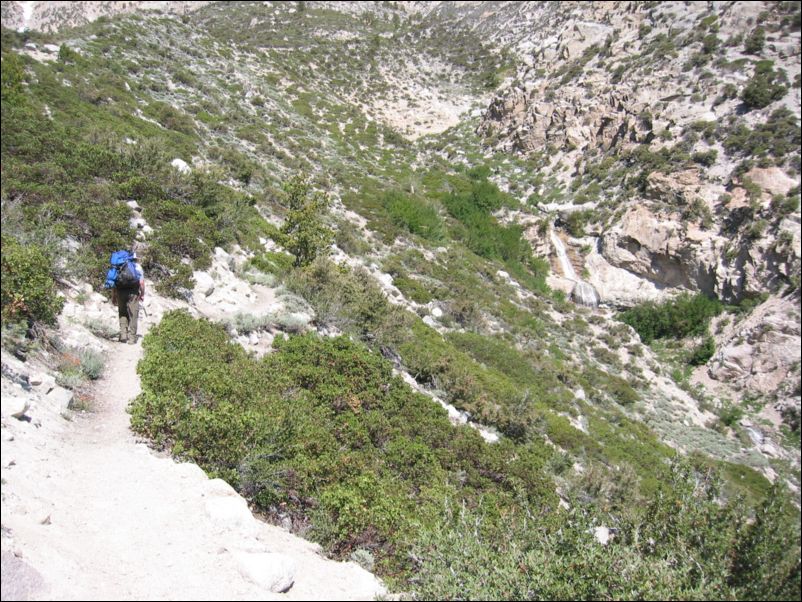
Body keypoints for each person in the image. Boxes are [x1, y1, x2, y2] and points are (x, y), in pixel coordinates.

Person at [111, 251, 145, 344]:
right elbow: (141, 283)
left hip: (120, 291)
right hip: (133, 293)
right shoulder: (138, 267)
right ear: (136, 259)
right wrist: (142, 294)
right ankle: (132, 338)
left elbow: (114, 282)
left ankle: (123, 335)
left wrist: (114, 296)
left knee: (122, 312)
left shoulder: (119, 266)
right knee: (133, 315)